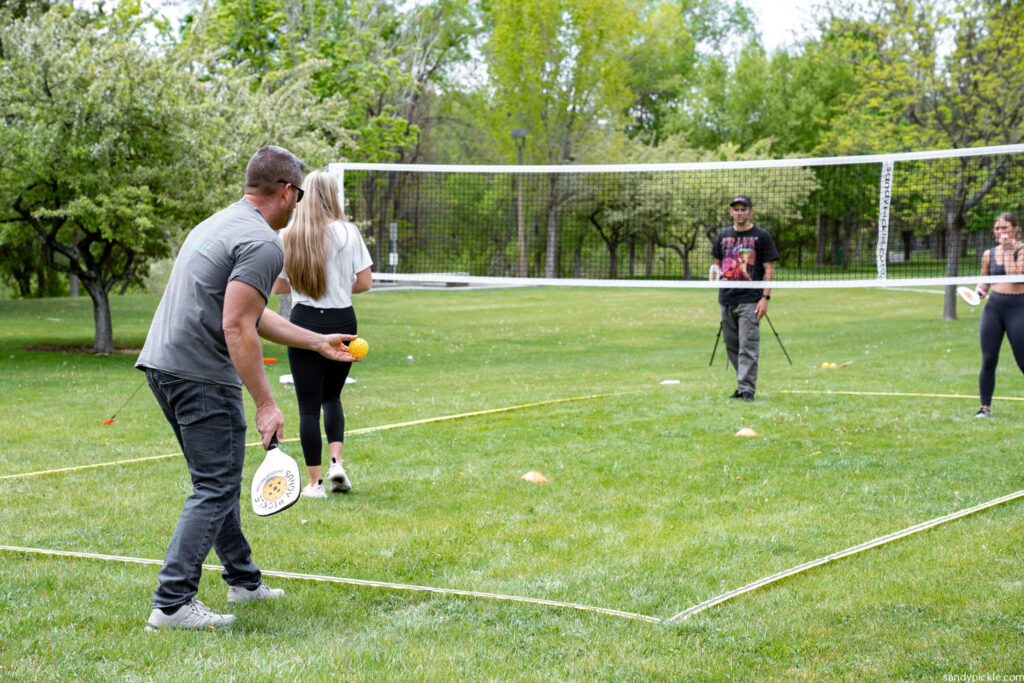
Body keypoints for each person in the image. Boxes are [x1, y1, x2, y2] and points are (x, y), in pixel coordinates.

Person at [135, 146, 362, 631]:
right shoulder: (263, 243)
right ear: (286, 191)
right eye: (297, 195)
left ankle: (243, 579)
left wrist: (317, 340)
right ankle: (173, 603)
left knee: (215, 479)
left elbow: (254, 314)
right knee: (215, 485)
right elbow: (237, 326)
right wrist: (265, 404)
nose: (298, 205)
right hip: (198, 373)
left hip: (164, 365)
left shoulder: (218, 224)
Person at [272, 170, 373, 498]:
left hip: (302, 322)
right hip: (343, 321)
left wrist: (304, 284)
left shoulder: (289, 235)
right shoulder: (349, 232)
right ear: (333, 196)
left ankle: (315, 483)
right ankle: (336, 464)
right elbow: (365, 283)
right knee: (332, 397)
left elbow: (277, 285)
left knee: (306, 406)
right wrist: (339, 285)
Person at [710, 194, 779, 402]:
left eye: (744, 209)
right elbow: (716, 265)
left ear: (751, 211)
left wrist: (765, 297)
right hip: (727, 299)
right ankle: (742, 384)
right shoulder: (722, 236)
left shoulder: (761, 235)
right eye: (736, 209)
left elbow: (769, 269)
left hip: (751, 300)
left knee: (747, 346)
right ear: (731, 212)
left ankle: (747, 389)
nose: (740, 213)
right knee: (732, 346)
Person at [972, 212, 1024, 418]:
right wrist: (978, 293)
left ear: (1015, 228)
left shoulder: (1021, 250)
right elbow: (985, 280)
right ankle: (985, 408)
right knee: (988, 358)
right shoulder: (989, 254)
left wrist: (1010, 249)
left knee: (1022, 360)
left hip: (1018, 306)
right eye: (997, 229)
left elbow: (1018, 277)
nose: (1000, 232)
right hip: (994, 307)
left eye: (1005, 228)